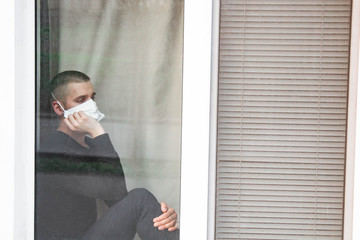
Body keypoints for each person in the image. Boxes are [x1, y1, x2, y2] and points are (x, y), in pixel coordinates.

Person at [36, 71, 179, 240]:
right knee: (140, 198)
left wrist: (159, 217)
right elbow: (116, 191)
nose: (90, 105)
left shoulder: (88, 147)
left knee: (143, 203)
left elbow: (117, 198)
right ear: (59, 108)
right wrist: (97, 131)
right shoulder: (55, 153)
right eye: (81, 100)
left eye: (92, 98)